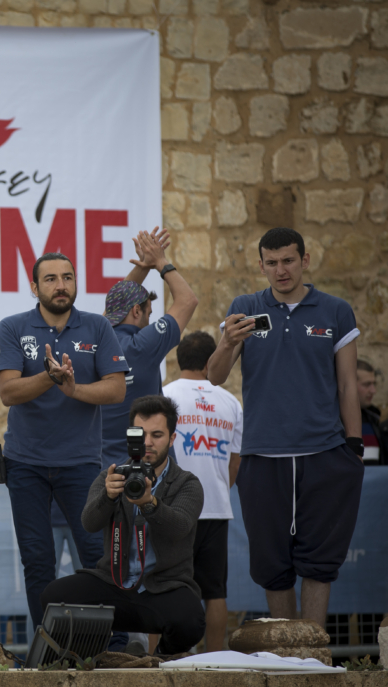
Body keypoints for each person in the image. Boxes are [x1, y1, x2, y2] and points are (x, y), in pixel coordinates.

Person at [207, 227, 363, 628]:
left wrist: (354, 447)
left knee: (320, 562)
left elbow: (348, 384)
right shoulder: (245, 308)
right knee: (271, 563)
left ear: (304, 260)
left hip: (325, 452)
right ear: (261, 265)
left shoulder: (335, 310)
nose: (281, 270)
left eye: (289, 260)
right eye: (272, 262)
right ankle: (285, 652)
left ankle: (312, 651)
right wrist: (226, 342)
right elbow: (215, 377)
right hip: (262, 454)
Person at [0, 252, 128, 629]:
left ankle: (111, 646)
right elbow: (8, 392)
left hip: (81, 464)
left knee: (97, 557)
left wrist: (73, 389)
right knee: (38, 561)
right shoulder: (13, 327)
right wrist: (48, 377)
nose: (61, 285)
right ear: (34, 287)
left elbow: (116, 389)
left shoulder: (97, 326)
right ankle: (47, 647)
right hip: (25, 464)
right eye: (50, 279)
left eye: (67, 277)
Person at [40, 395, 206, 656]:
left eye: (157, 435)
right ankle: (88, 659)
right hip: (114, 582)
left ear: (172, 438)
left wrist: (150, 503)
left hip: (163, 586)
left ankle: (160, 661)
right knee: (54, 596)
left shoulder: (186, 483)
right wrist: (107, 497)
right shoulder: (112, 476)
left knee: (191, 621)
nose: (147, 443)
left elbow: (180, 527)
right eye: (140, 434)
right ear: (131, 437)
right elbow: (88, 523)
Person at [162, 331, 242, 652]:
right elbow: (235, 463)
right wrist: (218, 488)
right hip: (216, 507)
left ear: (179, 358)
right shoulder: (231, 402)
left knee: (164, 587)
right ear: (212, 360)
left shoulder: (164, 395)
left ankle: (165, 660)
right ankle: (216, 661)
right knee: (215, 592)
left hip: (173, 509)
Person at [100, 228, 198, 468]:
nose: (149, 321)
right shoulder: (141, 345)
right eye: (148, 314)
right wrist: (160, 262)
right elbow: (188, 301)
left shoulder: (94, 341)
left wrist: (143, 266)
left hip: (103, 471)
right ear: (136, 311)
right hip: (147, 469)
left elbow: (112, 310)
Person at [357, 360, 387, 464]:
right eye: (367, 384)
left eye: (374, 384)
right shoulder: (334, 422)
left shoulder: (373, 418)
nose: (373, 390)